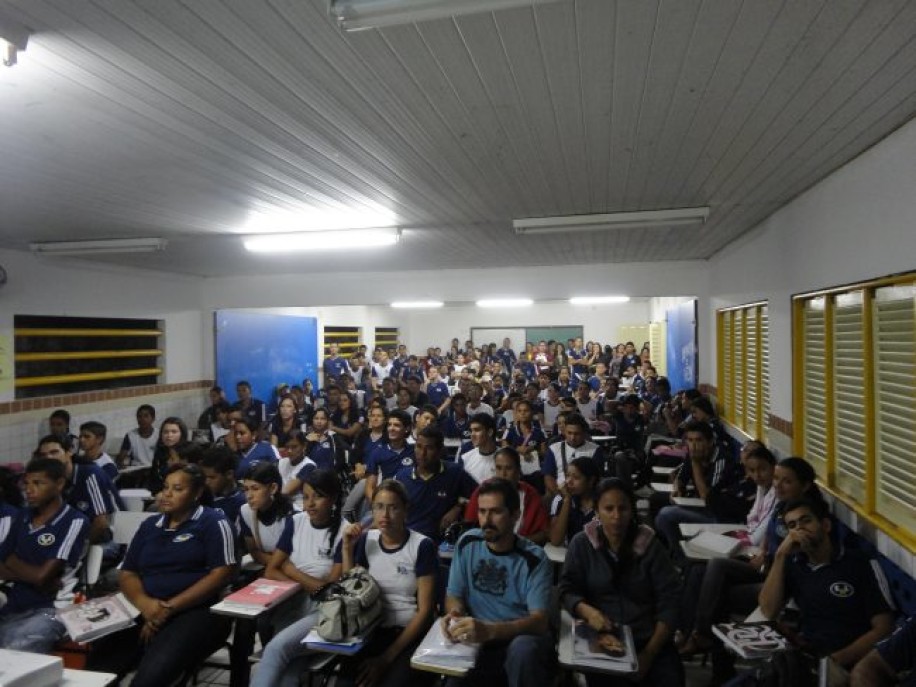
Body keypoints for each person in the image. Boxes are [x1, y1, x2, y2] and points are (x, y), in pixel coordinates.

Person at [93, 463, 237, 687]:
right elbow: (128, 573)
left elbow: (223, 573)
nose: (167, 494)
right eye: (165, 487)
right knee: (97, 668)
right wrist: (147, 605)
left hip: (196, 611)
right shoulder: (150, 525)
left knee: (150, 679)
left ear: (197, 493)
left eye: (177, 489)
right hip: (146, 608)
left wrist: (168, 609)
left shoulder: (213, 522)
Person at [559, 478, 683, 685]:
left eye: (623, 508)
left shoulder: (650, 545)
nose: (616, 517)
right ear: (596, 511)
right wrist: (586, 610)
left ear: (632, 510)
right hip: (601, 637)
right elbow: (566, 589)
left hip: (647, 639)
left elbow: (670, 601)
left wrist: (649, 654)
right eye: (608, 509)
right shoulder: (581, 544)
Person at [758, 497, 895, 674]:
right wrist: (780, 555)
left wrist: (835, 660)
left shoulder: (860, 563)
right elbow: (769, 610)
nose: (799, 529)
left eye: (806, 521)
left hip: (851, 660)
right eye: (792, 526)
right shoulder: (793, 563)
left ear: (825, 526)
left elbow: (884, 628)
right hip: (808, 655)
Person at [442, 478, 555, 687]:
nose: (486, 520)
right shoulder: (467, 542)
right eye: (482, 511)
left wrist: (491, 630)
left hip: (517, 639)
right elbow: (454, 595)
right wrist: (456, 614)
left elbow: (540, 622)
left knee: (523, 650)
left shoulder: (535, 559)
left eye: (496, 512)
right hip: (476, 639)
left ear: (515, 515)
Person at [336, 480, 437, 687]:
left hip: (406, 635)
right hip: (370, 630)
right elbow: (351, 594)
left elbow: (425, 612)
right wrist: (347, 549)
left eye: (393, 508)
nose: (385, 515)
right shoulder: (367, 540)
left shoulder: (422, 546)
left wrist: (385, 659)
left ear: (405, 510)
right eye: (379, 507)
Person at [252, 469, 348, 687]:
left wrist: (292, 570)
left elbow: (329, 592)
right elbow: (271, 571)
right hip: (292, 603)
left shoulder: (345, 532)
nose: (310, 504)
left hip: (323, 612)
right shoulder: (296, 522)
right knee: (289, 671)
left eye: (318, 496)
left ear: (333, 499)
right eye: (305, 497)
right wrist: (309, 583)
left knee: (277, 648)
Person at [0, 458, 90, 653]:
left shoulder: (74, 521)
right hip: (15, 603)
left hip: (52, 609)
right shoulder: (22, 516)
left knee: (13, 651)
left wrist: (14, 563)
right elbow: (4, 559)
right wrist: (34, 576)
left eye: (38, 483)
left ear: (59, 484)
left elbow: (42, 575)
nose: (29, 490)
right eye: (27, 483)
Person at [654, 420, 739, 552]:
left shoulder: (721, 460)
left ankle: (679, 556)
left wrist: (695, 462)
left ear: (710, 442)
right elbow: (680, 478)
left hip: (717, 515)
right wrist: (677, 489)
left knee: (666, 515)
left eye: (698, 440)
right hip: (697, 504)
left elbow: (707, 497)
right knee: (656, 499)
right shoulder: (692, 453)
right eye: (690, 440)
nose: (693, 445)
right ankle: (670, 551)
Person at [35, 434, 119, 544]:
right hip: (73, 536)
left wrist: (76, 549)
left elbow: (101, 524)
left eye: (54, 452)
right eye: (43, 455)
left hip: (109, 537)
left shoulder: (90, 474)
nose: (48, 458)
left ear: (69, 452)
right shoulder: (52, 480)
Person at [395, 426, 475, 541]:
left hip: (441, 542)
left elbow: (479, 496)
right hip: (409, 540)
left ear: (440, 450)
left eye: (429, 448)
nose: (422, 453)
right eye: (419, 447)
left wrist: (459, 507)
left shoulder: (455, 473)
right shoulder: (402, 477)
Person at [464, 448, 549, 546]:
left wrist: (514, 543)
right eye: (499, 468)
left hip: (521, 550)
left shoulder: (531, 494)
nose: (503, 474)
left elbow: (544, 534)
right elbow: (469, 526)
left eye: (508, 468)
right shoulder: (483, 491)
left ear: (518, 470)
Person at [240, 462, 296, 567]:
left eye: (255, 489)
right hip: (271, 566)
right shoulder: (245, 511)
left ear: (273, 488)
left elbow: (296, 559)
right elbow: (254, 552)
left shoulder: (293, 516)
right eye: (246, 489)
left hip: (294, 568)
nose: (249, 496)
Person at [542, 413, 605, 498]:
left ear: (584, 433)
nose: (572, 437)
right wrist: (560, 496)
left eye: (577, 434)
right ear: (564, 431)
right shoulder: (553, 448)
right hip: (559, 492)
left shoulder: (595, 450)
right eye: (569, 433)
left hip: (586, 495)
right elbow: (548, 477)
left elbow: (596, 478)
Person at [364, 409, 415, 505]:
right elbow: (369, 487)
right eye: (389, 425)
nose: (391, 428)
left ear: (407, 428)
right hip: (386, 500)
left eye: (396, 425)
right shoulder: (377, 453)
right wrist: (376, 507)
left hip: (411, 502)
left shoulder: (415, 451)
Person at [549, 456, 600, 546]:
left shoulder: (602, 503)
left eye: (576, 478)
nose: (568, 481)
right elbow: (555, 540)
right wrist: (567, 500)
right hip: (573, 555)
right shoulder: (564, 501)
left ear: (591, 480)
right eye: (567, 476)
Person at [200, 446, 246, 543]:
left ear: (229, 474)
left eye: (212, 477)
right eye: (205, 476)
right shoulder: (199, 494)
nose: (206, 482)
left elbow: (235, 541)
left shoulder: (241, 502)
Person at [148, 416, 191, 494]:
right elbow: (153, 481)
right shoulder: (159, 454)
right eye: (165, 432)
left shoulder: (190, 452)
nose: (169, 435)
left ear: (182, 434)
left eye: (174, 432)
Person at [457, 413, 500, 485]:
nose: (472, 435)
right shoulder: (465, 458)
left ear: (490, 432)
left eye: (477, 430)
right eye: (471, 431)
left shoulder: (506, 457)